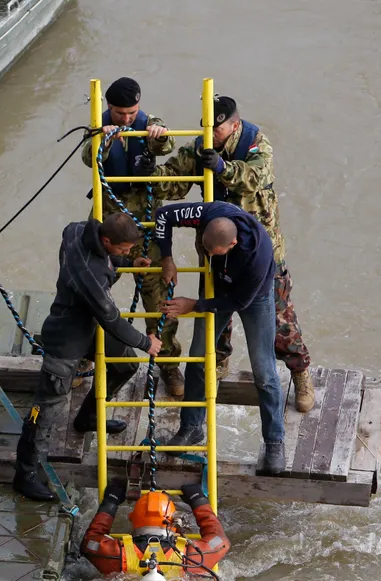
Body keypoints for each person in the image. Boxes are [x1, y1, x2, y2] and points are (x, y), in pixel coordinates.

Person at [152, 94, 314, 412]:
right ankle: (219, 362)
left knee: (280, 319)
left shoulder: (256, 143)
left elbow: (255, 178)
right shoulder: (200, 147)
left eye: (218, 128)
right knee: (216, 312)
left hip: (261, 252)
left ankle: (300, 370)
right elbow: (173, 182)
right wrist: (149, 172)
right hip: (217, 249)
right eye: (207, 128)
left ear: (234, 124)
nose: (211, 134)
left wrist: (223, 168)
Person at [12, 213, 164, 501]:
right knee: (46, 409)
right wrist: (147, 343)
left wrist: (127, 263)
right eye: (124, 248)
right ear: (106, 240)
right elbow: (112, 319)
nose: (128, 252)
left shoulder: (78, 229)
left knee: (126, 365)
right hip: (68, 332)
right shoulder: (91, 275)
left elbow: (78, 237)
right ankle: (25, 474)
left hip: (90, 322)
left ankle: (88, 418)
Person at [155, 201, 286, 473]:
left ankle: (274, 442)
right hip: (217, 284)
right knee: (198, 357)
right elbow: (163, 215)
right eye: (206, 250)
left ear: (233, 243)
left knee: (264, 370)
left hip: (252, 297)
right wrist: (166, 258)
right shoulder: (210, 213)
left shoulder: (256, 254)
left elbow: (239, 301)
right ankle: (191, 427)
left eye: (213, 252)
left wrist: (195, 305)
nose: (208, 253)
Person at [81, 76, 183, 397]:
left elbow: (166, 144)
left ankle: (168, 364)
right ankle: (86, 354)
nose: (127, 120)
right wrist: (105, 139)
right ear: (109, 107)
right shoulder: (99, 128)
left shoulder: (147, 122)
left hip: (146, 222)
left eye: (132, 113)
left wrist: (157, 135)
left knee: (159, 295)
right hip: (109, 221)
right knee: (90, 287)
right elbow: (88, 157)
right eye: (120, 113)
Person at [80, 482, 228, 579]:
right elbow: (220, 542)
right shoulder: (191, 557)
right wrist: (198, 501)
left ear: (132, 519)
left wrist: (110, 502)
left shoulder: (118, 555)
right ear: (174, 521)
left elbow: (89, 542)